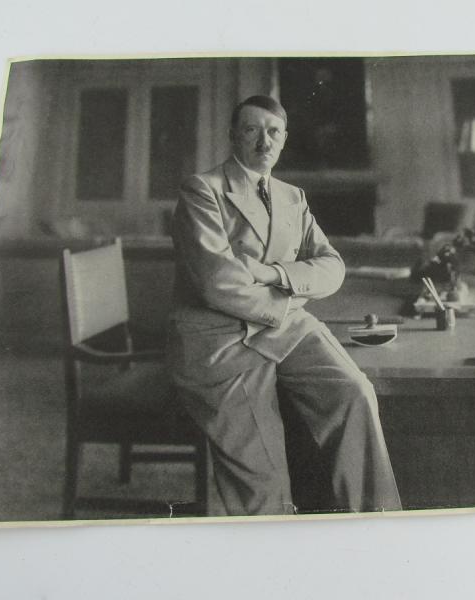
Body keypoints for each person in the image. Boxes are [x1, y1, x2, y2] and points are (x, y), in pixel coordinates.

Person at [167, 95, 401, 516]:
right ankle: (272, 548)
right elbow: (218, 284)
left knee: (356, 395)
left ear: (284, 139)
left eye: (274, 132)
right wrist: (292, 296)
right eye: (252, 130)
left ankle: (375, 526)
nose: (265, 141)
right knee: (265, 477)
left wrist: (274, 274)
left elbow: (333, 267)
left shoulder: (293, 197)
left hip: (288, 327)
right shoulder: (203, 190)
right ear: (233, 136)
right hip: (223, 341)